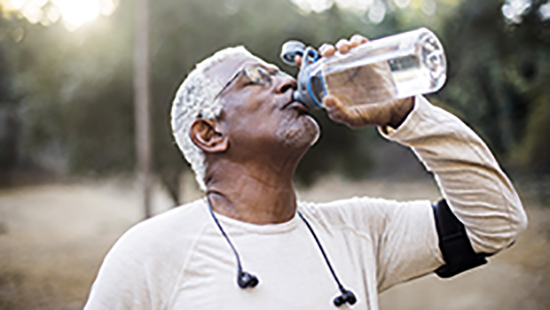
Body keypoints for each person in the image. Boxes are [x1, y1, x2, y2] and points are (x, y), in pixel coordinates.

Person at [84, 35, 527, 310]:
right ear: (209, 133)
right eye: (255, 77)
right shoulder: (151, 252)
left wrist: (408, 113)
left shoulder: (359, 230)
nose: (286, 82)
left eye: (280, 72)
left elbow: (496, 223)